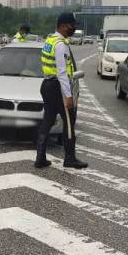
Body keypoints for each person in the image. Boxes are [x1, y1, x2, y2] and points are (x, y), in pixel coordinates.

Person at [35, 12, 88, 169]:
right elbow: (62, 72)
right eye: (72, 26)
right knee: (69, 123)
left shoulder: (50, 40)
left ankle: (40, 158)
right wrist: (68, 95)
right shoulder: (60, 44)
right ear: (63, 26)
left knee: (48, 121)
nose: (73, 29)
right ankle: (70, 158)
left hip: (47, 85)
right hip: (58, 87)